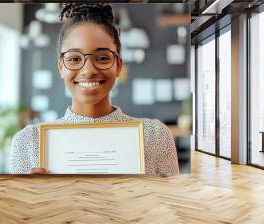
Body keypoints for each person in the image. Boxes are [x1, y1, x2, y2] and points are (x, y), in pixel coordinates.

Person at [11, 3, 179, 176]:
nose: (88, 70)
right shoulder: (28, 141)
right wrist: (31, 196)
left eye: (102, 57)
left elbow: (172, 202)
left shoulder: (155, 136)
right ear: (61, 67)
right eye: (75, 58)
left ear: (118, 65)